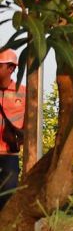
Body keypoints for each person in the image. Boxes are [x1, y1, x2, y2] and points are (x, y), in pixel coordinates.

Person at [0, 49, 25, 210]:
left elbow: (31, 123)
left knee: (7, 199)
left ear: (11, 68)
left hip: (9, 155)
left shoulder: (23, 92)